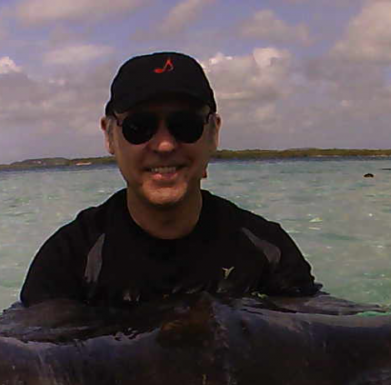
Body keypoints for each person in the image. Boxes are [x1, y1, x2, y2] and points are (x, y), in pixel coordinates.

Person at [20, 52, 321, 307]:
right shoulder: (68, 261)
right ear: (110, 136)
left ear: (213, 132)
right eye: (139, 127)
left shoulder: (267, 250)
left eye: (185, 125)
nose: (164, 145)